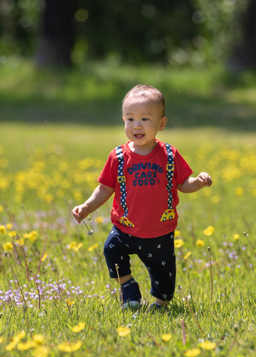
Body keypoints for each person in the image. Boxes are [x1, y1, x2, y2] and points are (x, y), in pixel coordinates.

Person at [72, 84, 212, 311]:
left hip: (159, 230)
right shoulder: (117, 156)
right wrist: (88, 206)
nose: (137, 125)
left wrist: (198, 182)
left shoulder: (169, 154)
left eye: (145, 119)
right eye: (130, 119)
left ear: (161, 124)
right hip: (125, 227)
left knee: (163, 274)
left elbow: (183, 184)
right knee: (111, 250)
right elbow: (105, 188)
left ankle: (160, 304)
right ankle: (128, 286)